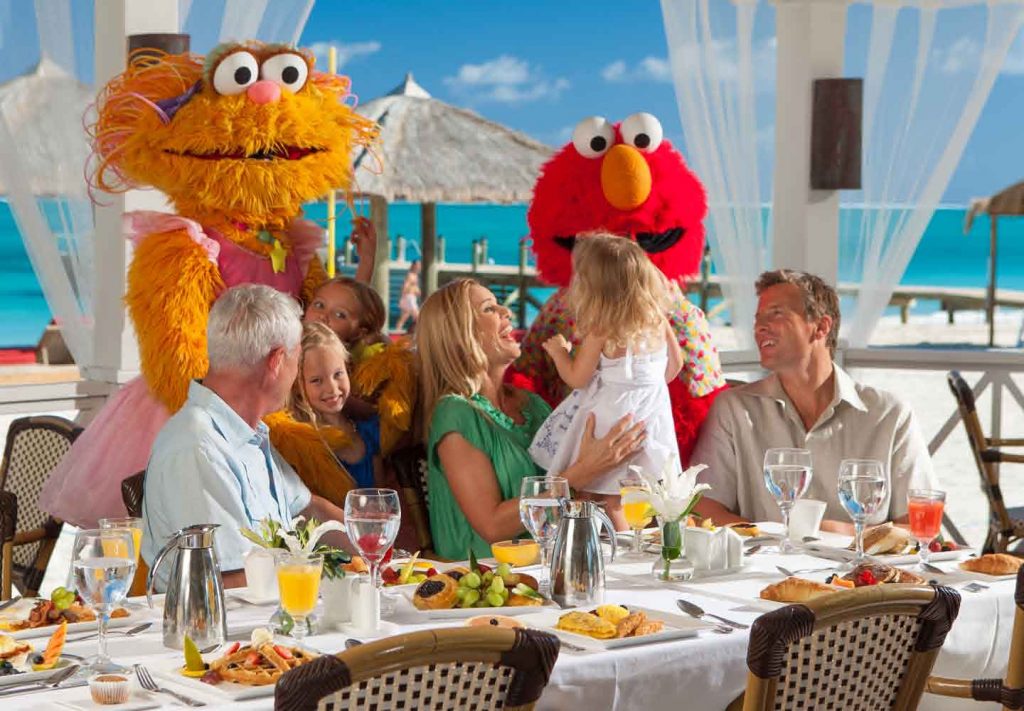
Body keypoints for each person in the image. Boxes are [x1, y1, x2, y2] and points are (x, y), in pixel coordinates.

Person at [417, 278, 648, 559]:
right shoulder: (455, 413)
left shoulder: (533, 405)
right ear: (457, 335)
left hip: (550, 567)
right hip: (488, 581)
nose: (507, 312)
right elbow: (492, 525)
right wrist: (582, 473)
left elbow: (580, 491)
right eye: (489, 309)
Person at [691, 269, 938, 531]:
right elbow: (704, 507)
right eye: (757, 318)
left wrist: (843, 535)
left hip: (862, 569)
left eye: (776, 313)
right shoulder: (735, 409)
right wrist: (773, 539)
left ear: (821, 327)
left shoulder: (889, 414)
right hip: (767, 569)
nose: (759, 327)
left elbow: (921, 522)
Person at [141, 284, 348, 589]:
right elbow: (229, 582)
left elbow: (308, 509)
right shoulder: (198, 446)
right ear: (277, 361)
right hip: (231, 630)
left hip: (274, 616)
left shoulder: (243, 431)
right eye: (297, 360)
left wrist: (382, 558)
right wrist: (339, 585)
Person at [528, 236, 683, 530]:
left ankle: (601, 548)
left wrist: (560, 353)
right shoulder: (657, 321)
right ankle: (630, 549)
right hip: (650, 415)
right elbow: (674, 367)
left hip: (610, 416)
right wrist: (643, 386)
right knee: (629, 497)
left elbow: (577, 377)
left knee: (596, 494)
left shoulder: (602, 328)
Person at [287, 322, 381, 489]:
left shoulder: (367, 431)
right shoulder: (300, 444)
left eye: (338, 374)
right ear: (297, 386)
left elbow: (381, 495)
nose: (332, 388)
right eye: (316, 380)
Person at [395, 259, 421, 333]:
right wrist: (403, 296)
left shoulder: (414, 275)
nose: (419, 267)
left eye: (420, 265)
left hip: (410, 298)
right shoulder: (411, 275)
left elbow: (413, 286)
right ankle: (418, 332)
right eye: (418, 265)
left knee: (404, 317)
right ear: (414, 266)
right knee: (418, 317)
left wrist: (416, 290)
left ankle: (398, 331)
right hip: (409, 298)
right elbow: (405, 286)